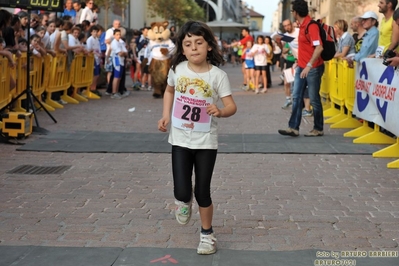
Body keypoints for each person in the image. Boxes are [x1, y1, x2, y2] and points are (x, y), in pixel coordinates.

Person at [157, 20, 237, 255]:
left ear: (209, 46)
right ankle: (183, 202)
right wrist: (166, 116)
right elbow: (169, 90)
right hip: (180, 140)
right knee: (182, 191)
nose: (194, 48)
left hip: (206, 142)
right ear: (182, 49)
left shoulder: (218, 76)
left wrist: (220, 111)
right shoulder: (178, 70)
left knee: (202, 190)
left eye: (199, 43)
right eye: (188, 44)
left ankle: (207, 235)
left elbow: (232, 105)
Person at [278, 0, 325, 137]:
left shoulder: (311, 26)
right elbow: (304, 48)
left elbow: (319, 47)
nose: (292, 13)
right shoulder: (302, 26)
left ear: (296, 12)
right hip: (302, 66)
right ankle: (293, 127)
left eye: (292, 11)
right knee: (297, 96)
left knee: (314, 98)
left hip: (313, 68)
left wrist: (309, 65)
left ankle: (318, 128)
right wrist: (300, 62)